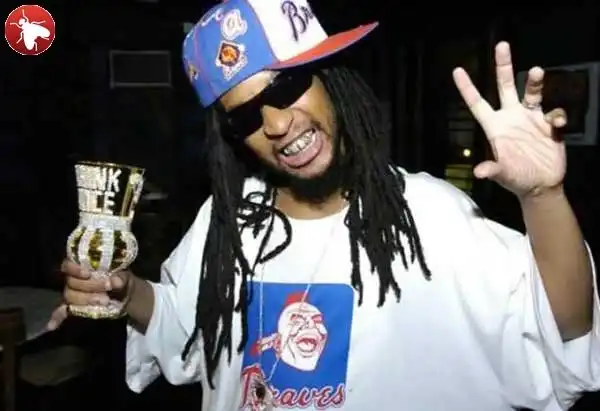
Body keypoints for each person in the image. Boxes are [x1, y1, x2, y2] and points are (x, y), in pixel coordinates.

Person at [50, 1, 600, 410]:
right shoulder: (228, 223)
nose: (275, 123)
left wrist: (542, 196)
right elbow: (187, 327)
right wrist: (128, 294)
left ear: (330, 79)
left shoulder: (433, 215)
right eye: (245, 116)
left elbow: (563, 328)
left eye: (285, 86)